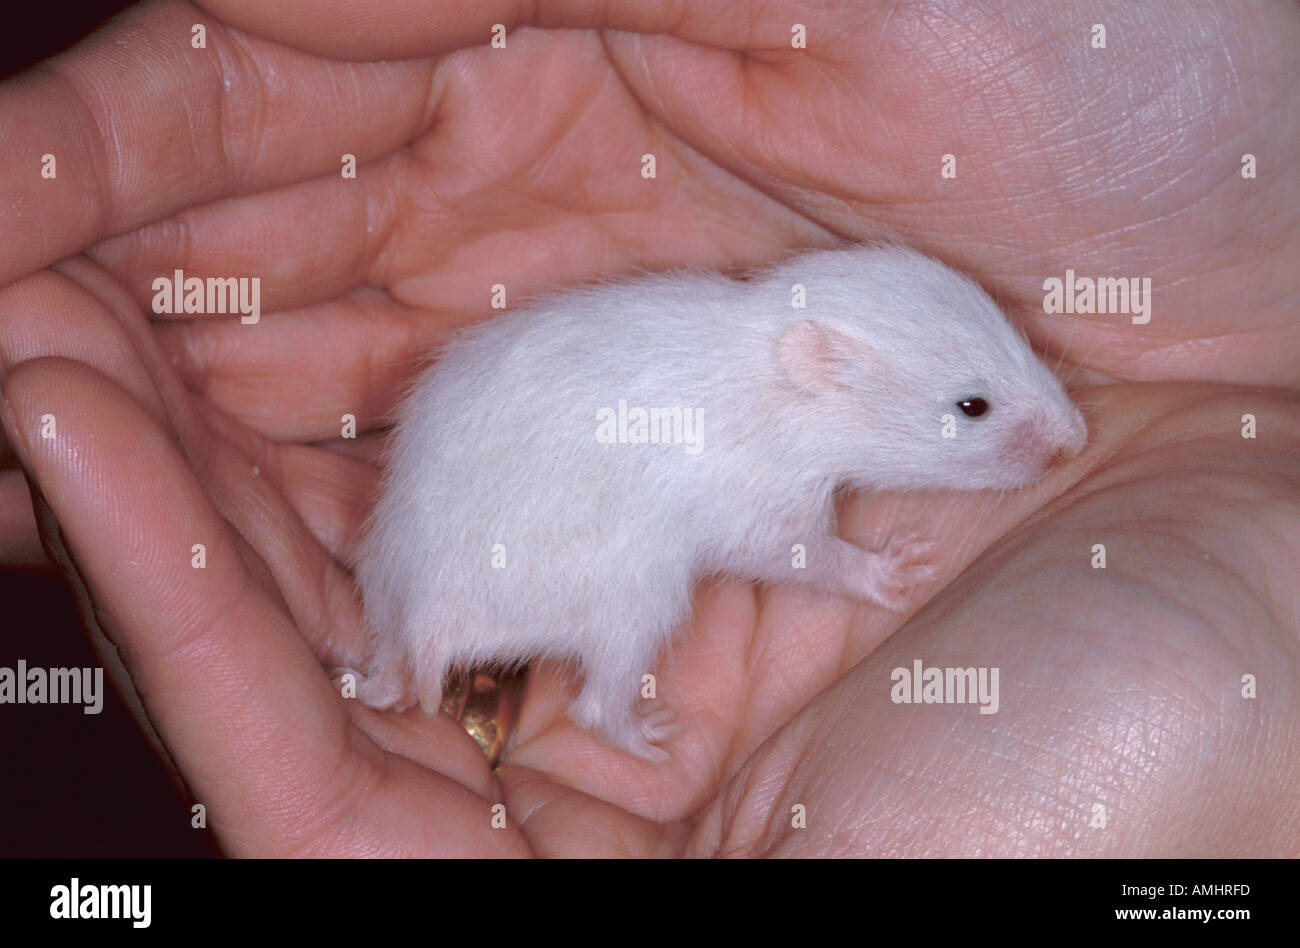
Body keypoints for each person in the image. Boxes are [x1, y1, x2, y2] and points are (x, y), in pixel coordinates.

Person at [0, 0, 1295, 856]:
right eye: (974, 411)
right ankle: (609, 711)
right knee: (642, 576)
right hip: (521, 562)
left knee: (613, 548)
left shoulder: (740, 341)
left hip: (445, 560)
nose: (1039, 431)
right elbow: (752, 530)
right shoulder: (752, 402)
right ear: (818, 372)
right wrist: (839, 564)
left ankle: (413, 660)